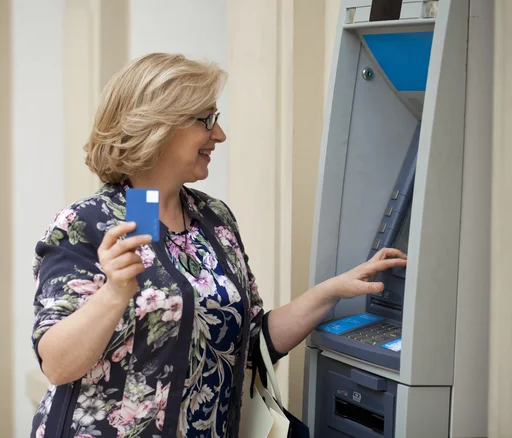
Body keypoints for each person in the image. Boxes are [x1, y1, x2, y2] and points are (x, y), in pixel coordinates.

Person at [29, 52, 407, 438]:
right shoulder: (84, 224)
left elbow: (251, 343)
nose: (219, 135)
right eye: (206, 120)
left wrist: (332, 292)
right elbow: (57, 364)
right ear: (159, 126)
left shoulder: (214, 219)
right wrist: (114, 294)